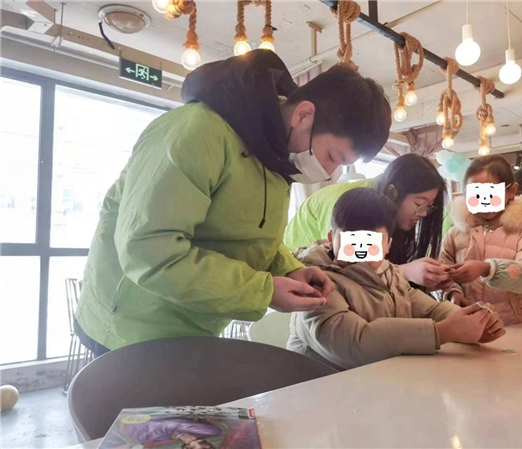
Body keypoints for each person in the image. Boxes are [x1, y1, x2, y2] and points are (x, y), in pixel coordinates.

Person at [74, 51, 392, 355]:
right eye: (332, 157)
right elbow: (149, 250)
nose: (328, 172)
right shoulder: (197, 132)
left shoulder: (275, 160)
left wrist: (291, 271)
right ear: (304, 115)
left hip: (193, 326)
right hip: (132, 327)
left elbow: (252, 239)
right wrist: (264, 291)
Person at [287, 188, 505, 371]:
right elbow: (355, 343)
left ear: (387, 246)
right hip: (318, 393)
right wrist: (443, 332)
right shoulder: (314, 283)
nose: (360, 252)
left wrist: (470, 323)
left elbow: (430, 310)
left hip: (375, 385)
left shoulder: (389, 274)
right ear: (331, 239)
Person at [285, 153, 452, 290]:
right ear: (392, 192)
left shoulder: (385, 210)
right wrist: (403, 272)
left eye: (429, 206)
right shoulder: (349, 205)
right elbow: (342, 272)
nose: (424, 214)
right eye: (419, 204)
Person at [439, 155, 522, 326]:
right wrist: (453, 293)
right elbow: (443, 271)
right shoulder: (456, 233)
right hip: (470, 327)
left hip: (516, 326)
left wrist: (488, 269)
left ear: (511, 191)